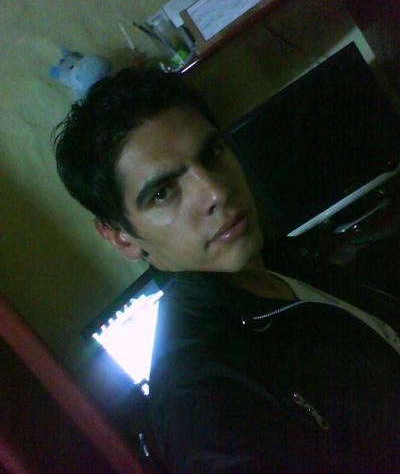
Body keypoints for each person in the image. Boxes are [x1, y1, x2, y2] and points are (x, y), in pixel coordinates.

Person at [53, 67, 400, 472]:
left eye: (212, 153)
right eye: (163, 192)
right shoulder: (201, 399)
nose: (217, 191)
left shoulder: (275, 258)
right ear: (122, 237)